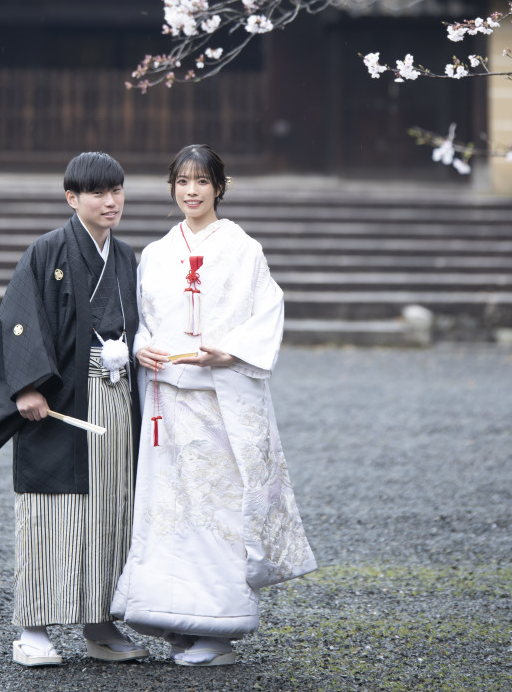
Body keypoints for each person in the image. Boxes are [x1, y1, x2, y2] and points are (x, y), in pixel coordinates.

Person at [111, 143, 317, 667]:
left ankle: (218, 631)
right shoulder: (156, 253)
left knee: (217, 512)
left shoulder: (243, 249)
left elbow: (268, 312)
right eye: (182, 182)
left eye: (202, 181)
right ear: (172, 188)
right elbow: (141, 322)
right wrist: (141, 347)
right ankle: (172, 619)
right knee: (166, 511)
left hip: (218, 398)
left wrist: (233, 350)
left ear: (219, 188)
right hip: (169, 402)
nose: (192, 191)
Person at [0, 151, 149, 667]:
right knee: (52, 514)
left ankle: (100, 624)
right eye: (97, 192)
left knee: (111, 513)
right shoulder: (47, 252)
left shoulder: (126, 258)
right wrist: (27, 387)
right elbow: (18, 319)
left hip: (116, 401)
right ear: (71, 198)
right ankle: (32, 627)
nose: (110, 201)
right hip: (60, 404)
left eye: (116, 190)